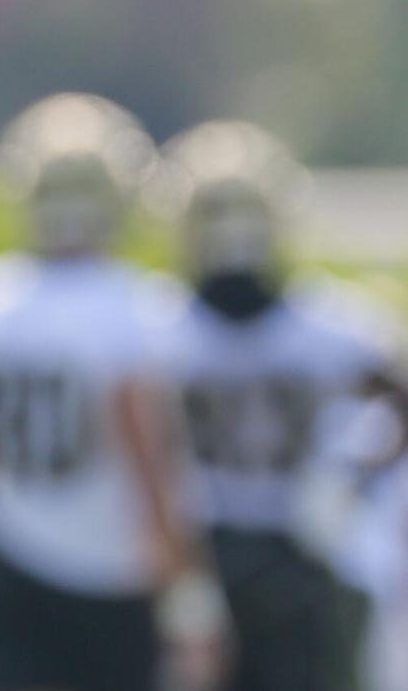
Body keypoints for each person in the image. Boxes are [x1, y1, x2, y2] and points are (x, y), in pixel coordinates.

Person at [0, 93, 228, 691]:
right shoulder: (139, 308)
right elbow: (152, 458)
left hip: (5, 558)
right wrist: (191, 600)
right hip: (110, 574)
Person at [156, 119, 406, 691]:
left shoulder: (329, 329)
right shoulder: (332, 328)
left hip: (294, 554)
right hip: (209, 547)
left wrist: (351, 480)